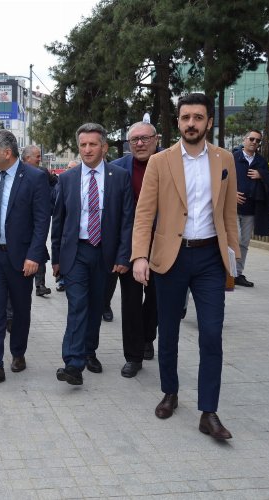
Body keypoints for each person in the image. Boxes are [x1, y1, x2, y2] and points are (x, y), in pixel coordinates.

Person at [132, 93, 239, 440]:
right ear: (178, 122)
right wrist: (140, 256)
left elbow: (229, 214)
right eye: (185, 117)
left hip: (210, 259)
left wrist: (234, 259)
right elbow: (144, 214)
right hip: (171, 258)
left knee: (211, 333)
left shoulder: (224, 159)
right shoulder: (160, 161)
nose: (191, 123)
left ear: (209, 122)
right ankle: (170, 392)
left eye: (198, 117)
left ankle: (208, 411)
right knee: (168, 331)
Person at [52, 123, 133, 386]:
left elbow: (127, 220)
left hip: (105, 253)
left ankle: (89, 351)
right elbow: (59, 220)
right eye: (83, 145)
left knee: (96, 305)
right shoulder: (67, 178)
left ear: (104, 147)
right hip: (76, 251)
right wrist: (56, 258)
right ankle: (73, 364)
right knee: (77, 305)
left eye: (92, 144)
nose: (87, 149)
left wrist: (123, 256)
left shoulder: (119, 177)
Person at [0, 130, 50, 385]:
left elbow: (42, 221)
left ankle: (18, 352)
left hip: (21, 257)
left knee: (20, 309)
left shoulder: (35, 178)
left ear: (7, 153)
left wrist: (34, 256)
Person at [110, 121, 160, 377]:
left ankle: (147, 336)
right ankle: (133, 356)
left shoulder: (169, 164)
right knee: (130, 302)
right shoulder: (117, 169)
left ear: (156, 139)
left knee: (155, 299)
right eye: (134, 140)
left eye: (145, 138)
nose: (139, 144)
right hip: (129, 247)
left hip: (162, 246)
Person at [233, 129, 269, 287]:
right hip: (232, 209)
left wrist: (262, 175)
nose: (254, 142)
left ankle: (237, 274)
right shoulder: (233, 158)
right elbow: (220, 178)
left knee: (244, 243)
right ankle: (227, 272)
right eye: (251, 139)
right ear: (244, 140)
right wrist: (231, 194)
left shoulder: (261, 162)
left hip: (251, 210)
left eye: (257, 140)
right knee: (235, 239)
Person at [21, 145, 52, 297]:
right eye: (37, 156)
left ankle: (40, 285)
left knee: (39, 253)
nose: (40, 159)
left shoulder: (43, 172)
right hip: (21, 225)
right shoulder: (16, 172)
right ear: (27, 158)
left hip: (37, 223)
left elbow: (56, 184)